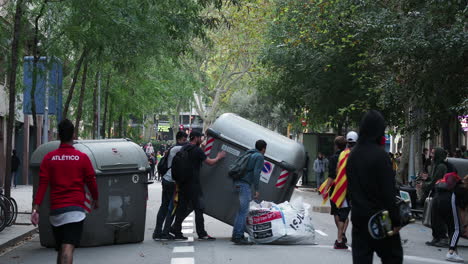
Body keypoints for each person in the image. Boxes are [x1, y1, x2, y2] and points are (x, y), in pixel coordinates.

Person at [31, 119, 99, 264]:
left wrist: (36, 207)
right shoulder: (82, 158)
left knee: (61, 249)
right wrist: (95, 199)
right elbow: (91, 181)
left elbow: (42, 185)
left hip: (56, 211)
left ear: (59, 136)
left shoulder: (49, 158)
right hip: (75, 211)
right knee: (68, 249)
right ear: (73, 135)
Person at [347, 110, 403, 264]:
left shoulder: (352, 156)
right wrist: (396, 220)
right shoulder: (380, 156)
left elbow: (350, 189)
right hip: (381, 218)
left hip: (359, 218)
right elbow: (388, 192)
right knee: (393, 257)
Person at [171, 131, 226, 240]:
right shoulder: (197, 150)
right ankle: (202, 233)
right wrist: (219, 157)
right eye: (201, 137)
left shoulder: (185, 148)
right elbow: (210, 162)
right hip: (193, 184)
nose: (202, 139)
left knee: (182, 207)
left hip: (183, 183)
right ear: (195, 138)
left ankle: (176, 230)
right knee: (199, 208)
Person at [153, 131, 188, 240]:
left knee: (164, 206)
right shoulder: (178, 149)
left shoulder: (172, 148)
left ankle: (157, 232)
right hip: (172, 181)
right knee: (172, 208)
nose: (185, 142)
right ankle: (165, 232)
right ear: (179, 139)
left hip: (166, 179)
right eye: (183, 140)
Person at [232, 140, 266, 245]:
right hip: (244, 184)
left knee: (241, 210)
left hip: (238, 182)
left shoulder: (250, 152)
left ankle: (237, 235)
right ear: (264, 149)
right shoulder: (259, 156)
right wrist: (256, 189)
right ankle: (238, 236)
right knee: (244, 211)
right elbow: (256, 173)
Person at [431, 172, 467, 262]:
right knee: (456, 229)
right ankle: (451, 253)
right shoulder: (462, 190)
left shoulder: (454, 186)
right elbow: (463, 209)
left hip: (438, 201)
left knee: (452, 228)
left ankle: (454, 252)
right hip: (448, 202)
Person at [321, 135, 348, 249]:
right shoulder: (349, 156)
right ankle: (342, 234)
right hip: (347, 188)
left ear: (336, 146)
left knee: (336, 212)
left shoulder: (333, 158)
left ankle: (340, 235)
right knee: (345, 212)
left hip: (336, 188)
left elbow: (331, 175)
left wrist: (326, 188)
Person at [425, 147, 453, 247]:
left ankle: (442, 238)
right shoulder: (436, 165)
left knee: (438, 217)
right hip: (438, 193)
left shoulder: (441, 166)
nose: (431, 155)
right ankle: (436, 237)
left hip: (442, 194)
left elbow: (435, 181)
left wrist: (424, 186)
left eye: (433, 153)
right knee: (434, 217)